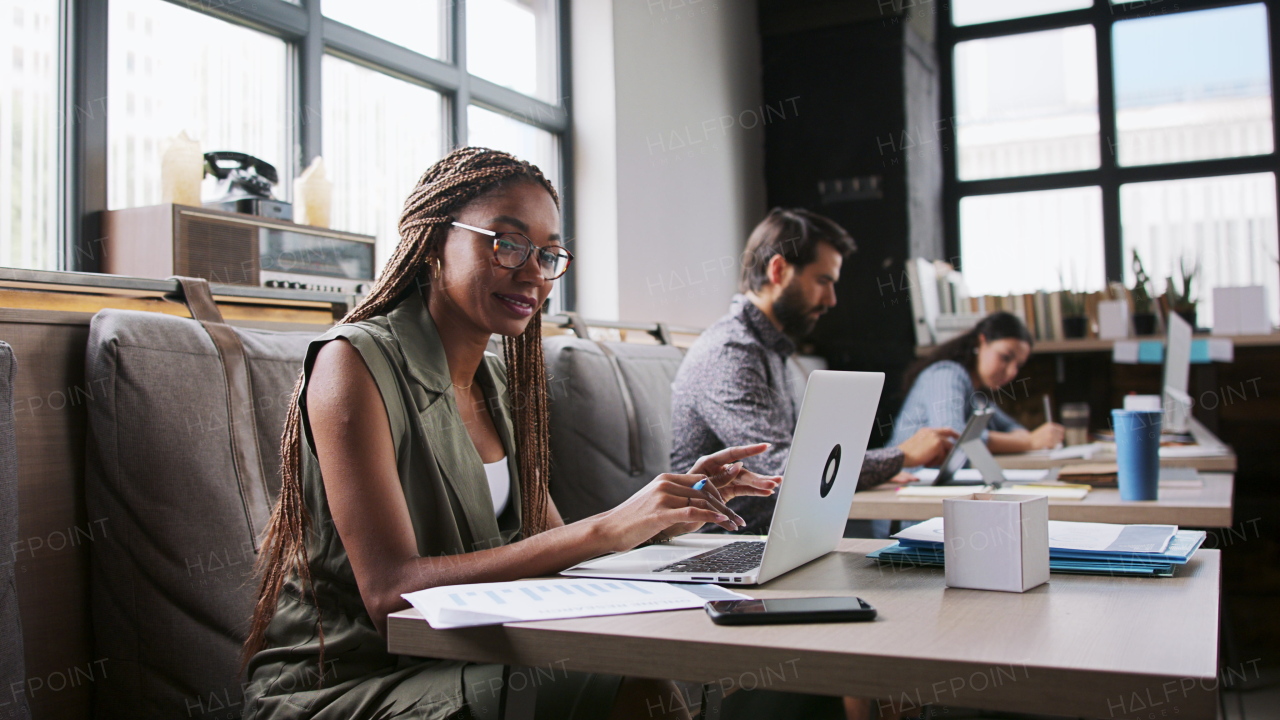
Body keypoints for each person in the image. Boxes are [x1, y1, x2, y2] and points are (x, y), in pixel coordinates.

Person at [240, 148, 781, 720]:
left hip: (466, 658)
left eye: (549, 255)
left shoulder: (502, 381)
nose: (532, 272)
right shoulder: (352, 363)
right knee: (633, 689)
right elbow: (390, 592)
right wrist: (607, 526)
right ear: (432, 246)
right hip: (350, 681)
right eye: (506, 242)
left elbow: (553, 552)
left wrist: (663, 513)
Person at [671, 207, 958, 537]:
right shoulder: (730, 352)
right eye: (824, 281)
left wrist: (873, 470)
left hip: (777, 537)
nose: (832, 299)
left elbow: (796, 463)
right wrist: (899, 456)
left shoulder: (766, 348)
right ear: (779, 270)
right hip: (724, 547)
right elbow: (781, 471)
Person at [890, 311, 1064, 454]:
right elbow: (952, 436)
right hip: (902, 482)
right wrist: (1028, 442)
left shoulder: (976, 396)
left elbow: (1012, 426)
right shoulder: (946, 374)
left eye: (1018, 365)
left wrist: (1024, 438)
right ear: (982, 342)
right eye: (1005, 357)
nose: (1011, 372)